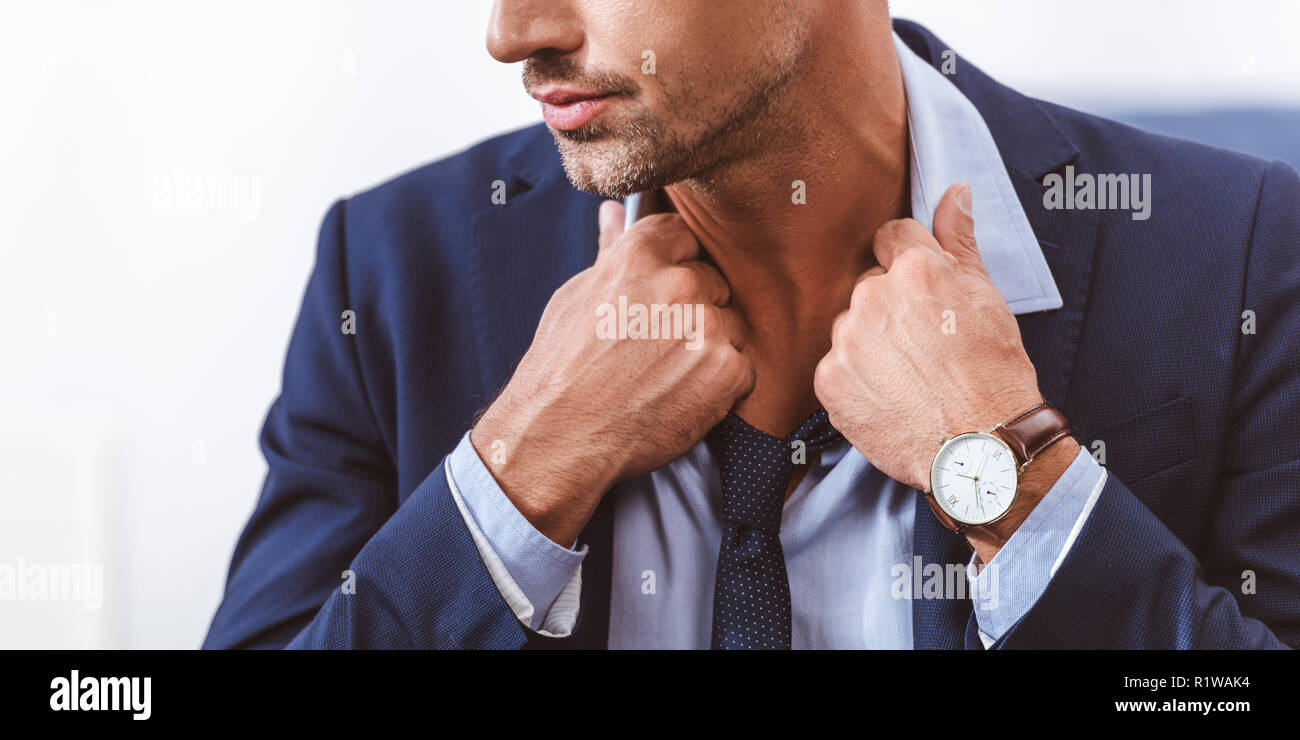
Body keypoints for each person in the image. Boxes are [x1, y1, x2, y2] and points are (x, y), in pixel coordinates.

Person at [204, 2, 1300, 649]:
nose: (514, 32)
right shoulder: (391, 269)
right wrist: (513, 476)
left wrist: (1008, 478)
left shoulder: (1241, 250)